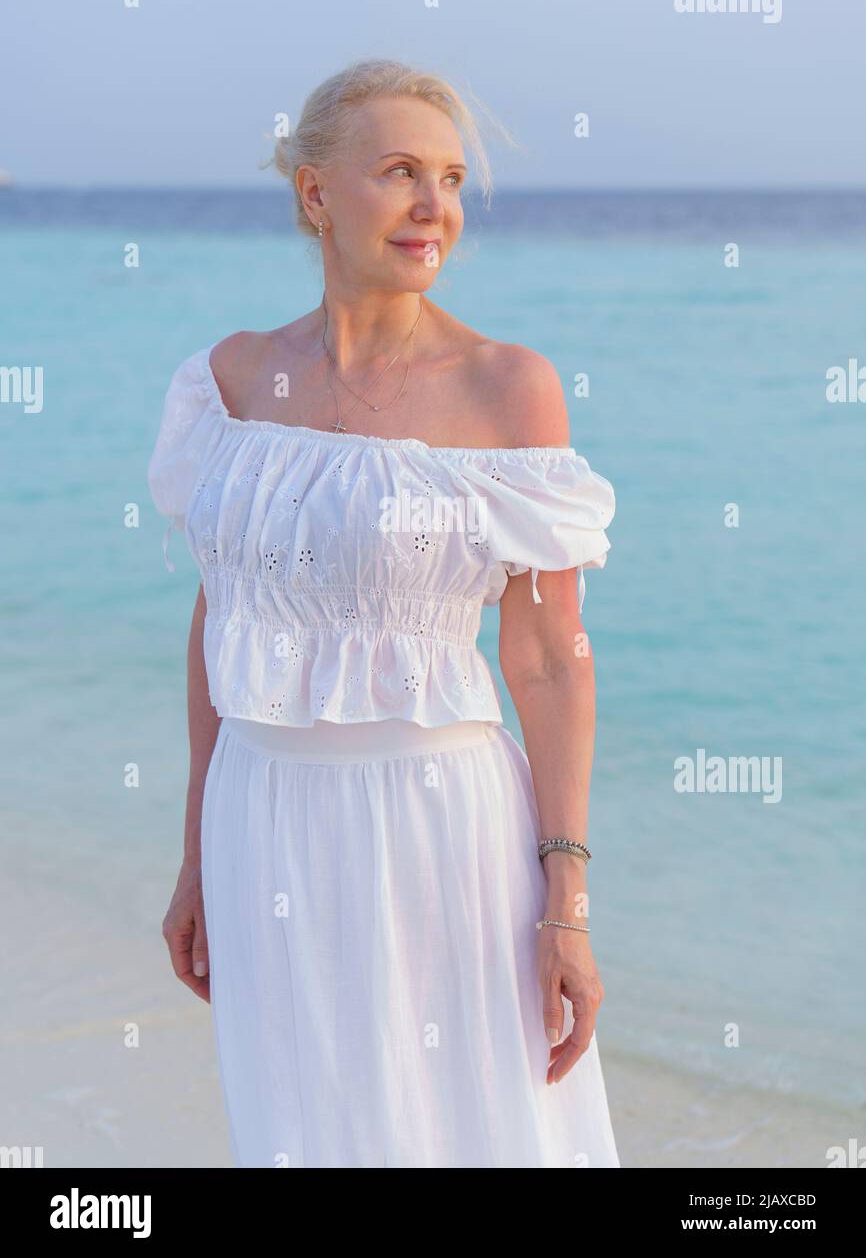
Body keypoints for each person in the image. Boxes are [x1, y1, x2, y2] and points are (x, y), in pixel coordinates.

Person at [148, 58, 619, 1168]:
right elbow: (222, 626)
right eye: (399, 172)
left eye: (449, 179)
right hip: (260, 822)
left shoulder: (507, 387)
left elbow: (549, 660)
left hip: (441, 831)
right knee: (306, 1136)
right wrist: (194, 856)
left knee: (480, 1129)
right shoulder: (229, 382)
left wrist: (566, 901)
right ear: (315, 192)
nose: (432, 208)